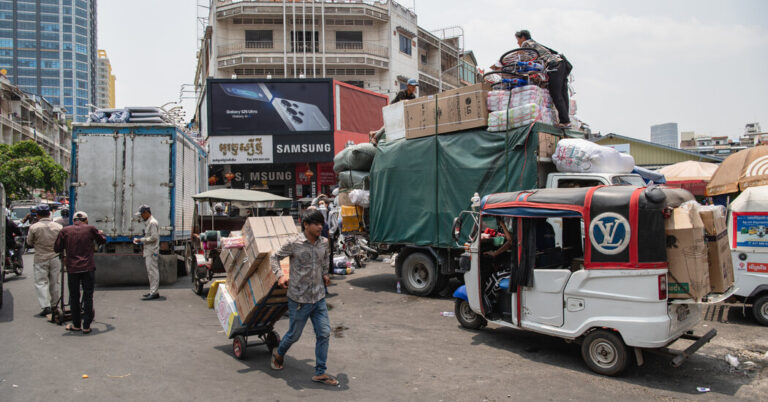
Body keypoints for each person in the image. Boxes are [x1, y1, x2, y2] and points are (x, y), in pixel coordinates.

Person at [269, 210, 338, 386]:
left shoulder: (324, 242)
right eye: (316, 224)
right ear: (306, 225)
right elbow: (274, 257)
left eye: (321, 224)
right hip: (299, 299)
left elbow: (324, 261)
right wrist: (279, 276)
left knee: (324, 332)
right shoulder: (294, 242)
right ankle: (279, 354)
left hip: (319, 297)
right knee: (294, 335)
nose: (320, 227)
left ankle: (320, 372)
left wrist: (325, 274)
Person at [54, 211, 106, 333]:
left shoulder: (65, 231)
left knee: (74, 295)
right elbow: (102, 241)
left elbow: (57, 248)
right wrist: (100, 234)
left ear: (74, 220)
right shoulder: (90, 229)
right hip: (87, 267)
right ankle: (86, 325)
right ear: (86, 220)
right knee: (88, 295)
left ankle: (76, 324)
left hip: (72, 268)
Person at [514, 30, 572, 128]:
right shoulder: (536, 44)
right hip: (562, 64)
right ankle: (566, 120)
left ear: (523, 38)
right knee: (562, 93)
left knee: (555, 93)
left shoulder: (527, 43)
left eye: (518, 40)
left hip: (554, 66)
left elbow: (527, 59)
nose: (517, 43)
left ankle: (565, 121)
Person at [26, 204, 63, 317]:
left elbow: (29, 243)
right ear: (49, 213)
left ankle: (45, 306)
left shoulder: (34, 227)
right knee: (54, 282)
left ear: (37, 215)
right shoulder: (58, 227)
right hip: (55, 257)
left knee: (41, 283)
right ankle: (54, 305)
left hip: (40, 258)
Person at [369, 78, 419, 145]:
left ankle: (374, 133)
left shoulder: (413, 96)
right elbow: (402, 102)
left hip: (400, 113)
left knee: (390, 127)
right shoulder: (402, 92)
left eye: (415, 87)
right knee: (388, 126)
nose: (414, 88)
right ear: (408, 86)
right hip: (392, 110)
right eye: (412, 86)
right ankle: (375, 138)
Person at [133, 205, 160, 300]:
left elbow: (154, 237)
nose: (141, 217)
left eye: (142, 214)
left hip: (152, 251)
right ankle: (153, 291)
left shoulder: (152, 223)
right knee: (151, 272)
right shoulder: (149, 222)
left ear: (146, 212)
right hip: (150, 250)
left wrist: (141, 240)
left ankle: (154, 292)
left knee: (152, 272)